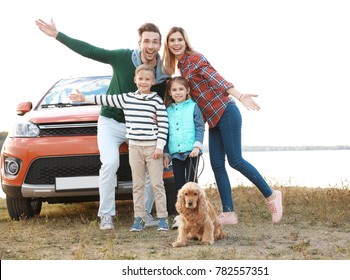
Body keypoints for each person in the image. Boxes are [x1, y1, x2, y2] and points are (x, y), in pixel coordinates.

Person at [35, 19, 170, 230]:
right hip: (111, 123)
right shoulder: (122, 57)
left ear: (160, 45)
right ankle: (106, 215)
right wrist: (57, 35)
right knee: (110, 163)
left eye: (155, 42)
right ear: (140, 42)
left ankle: (145, 216)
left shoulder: (163, 73)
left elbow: (162, 105)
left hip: (140, 129)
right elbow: (91, 51)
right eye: (146, 41)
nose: (150, 46)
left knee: (152, 171)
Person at [162, 27, 283, 225]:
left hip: (226, 112)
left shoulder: (195, 59)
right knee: (217, 164)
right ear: (168, 45)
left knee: (235, 160)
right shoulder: (181, 67)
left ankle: (271, 196)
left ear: (185, 41)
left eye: (179, 39)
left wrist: (240, 95)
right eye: (172, 40)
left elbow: (216, 79)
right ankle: (228, 213)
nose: (176, 43)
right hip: (213, 119)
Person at [70, 64, 169, 231]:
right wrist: (84, 98)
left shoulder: (157, 100)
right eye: (140, 79)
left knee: (157, 183)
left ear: (153, 81)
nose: (143, 82)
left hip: (152, 147)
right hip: (135, 148)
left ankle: (162, 218)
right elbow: (106, 99)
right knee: (137, 185)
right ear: (135, 80)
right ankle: (139, 218)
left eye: (147, 79)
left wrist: (160, 147)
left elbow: (164, 124)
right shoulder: (127, 98)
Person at [163, 76, 205, 229]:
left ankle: (196, 216)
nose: (178, 92)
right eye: (174, 90)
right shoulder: (168, 110)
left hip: (192, 151)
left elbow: (200, 127)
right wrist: (166, 153)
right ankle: (181, 217)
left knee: (192, 185)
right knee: (180, 186)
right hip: (175, 152)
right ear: (170, 92)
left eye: (181, 89)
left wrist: (197, 147)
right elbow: (166, 133)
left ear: (187, 91)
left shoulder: (193, 106)